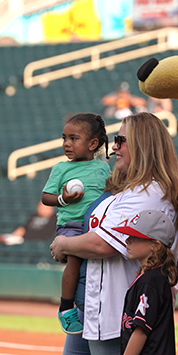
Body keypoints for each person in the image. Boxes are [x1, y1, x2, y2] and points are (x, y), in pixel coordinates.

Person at [50, 112, 178, 355]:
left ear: (143, 145)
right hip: (96, 301)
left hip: (121, 309)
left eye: (122, 141)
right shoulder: (127, 188)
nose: (115, 148)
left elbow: (104, 244)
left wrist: (64, 243)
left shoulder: (153, 191)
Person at [41, 113, 110, 335]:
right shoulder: (61, 169)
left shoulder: (102, 168)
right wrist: (63, 199)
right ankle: (66, 308)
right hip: (71, 224)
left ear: (92, 144)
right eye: (64, 138)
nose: (67, 144)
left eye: (74, 138)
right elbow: (46, 197)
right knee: (74, 261)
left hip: (96, 226)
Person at [109, 209, 178, 355]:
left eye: (135, 237)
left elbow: (141, 331)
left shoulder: (151, 281)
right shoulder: (150, 277)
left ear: (155, 246)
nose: (127, 240)